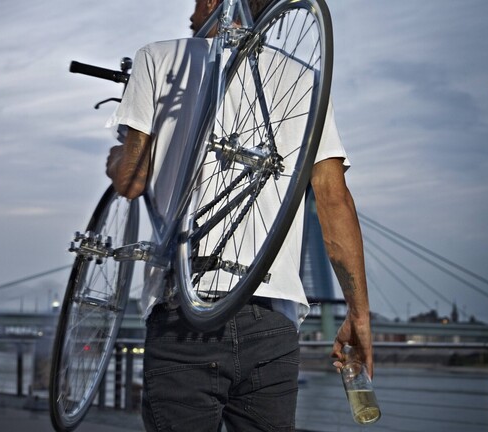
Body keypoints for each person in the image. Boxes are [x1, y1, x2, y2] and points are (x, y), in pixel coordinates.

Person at [105, 1, 373, 430]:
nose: (192, 16)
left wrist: (120, 152)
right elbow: (334, 199)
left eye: (195, 4)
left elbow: (131, 182)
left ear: (214, 3)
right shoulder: (305, 79)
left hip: (184, 320)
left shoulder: (156, 58)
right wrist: (359, 314)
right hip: (273, 324)